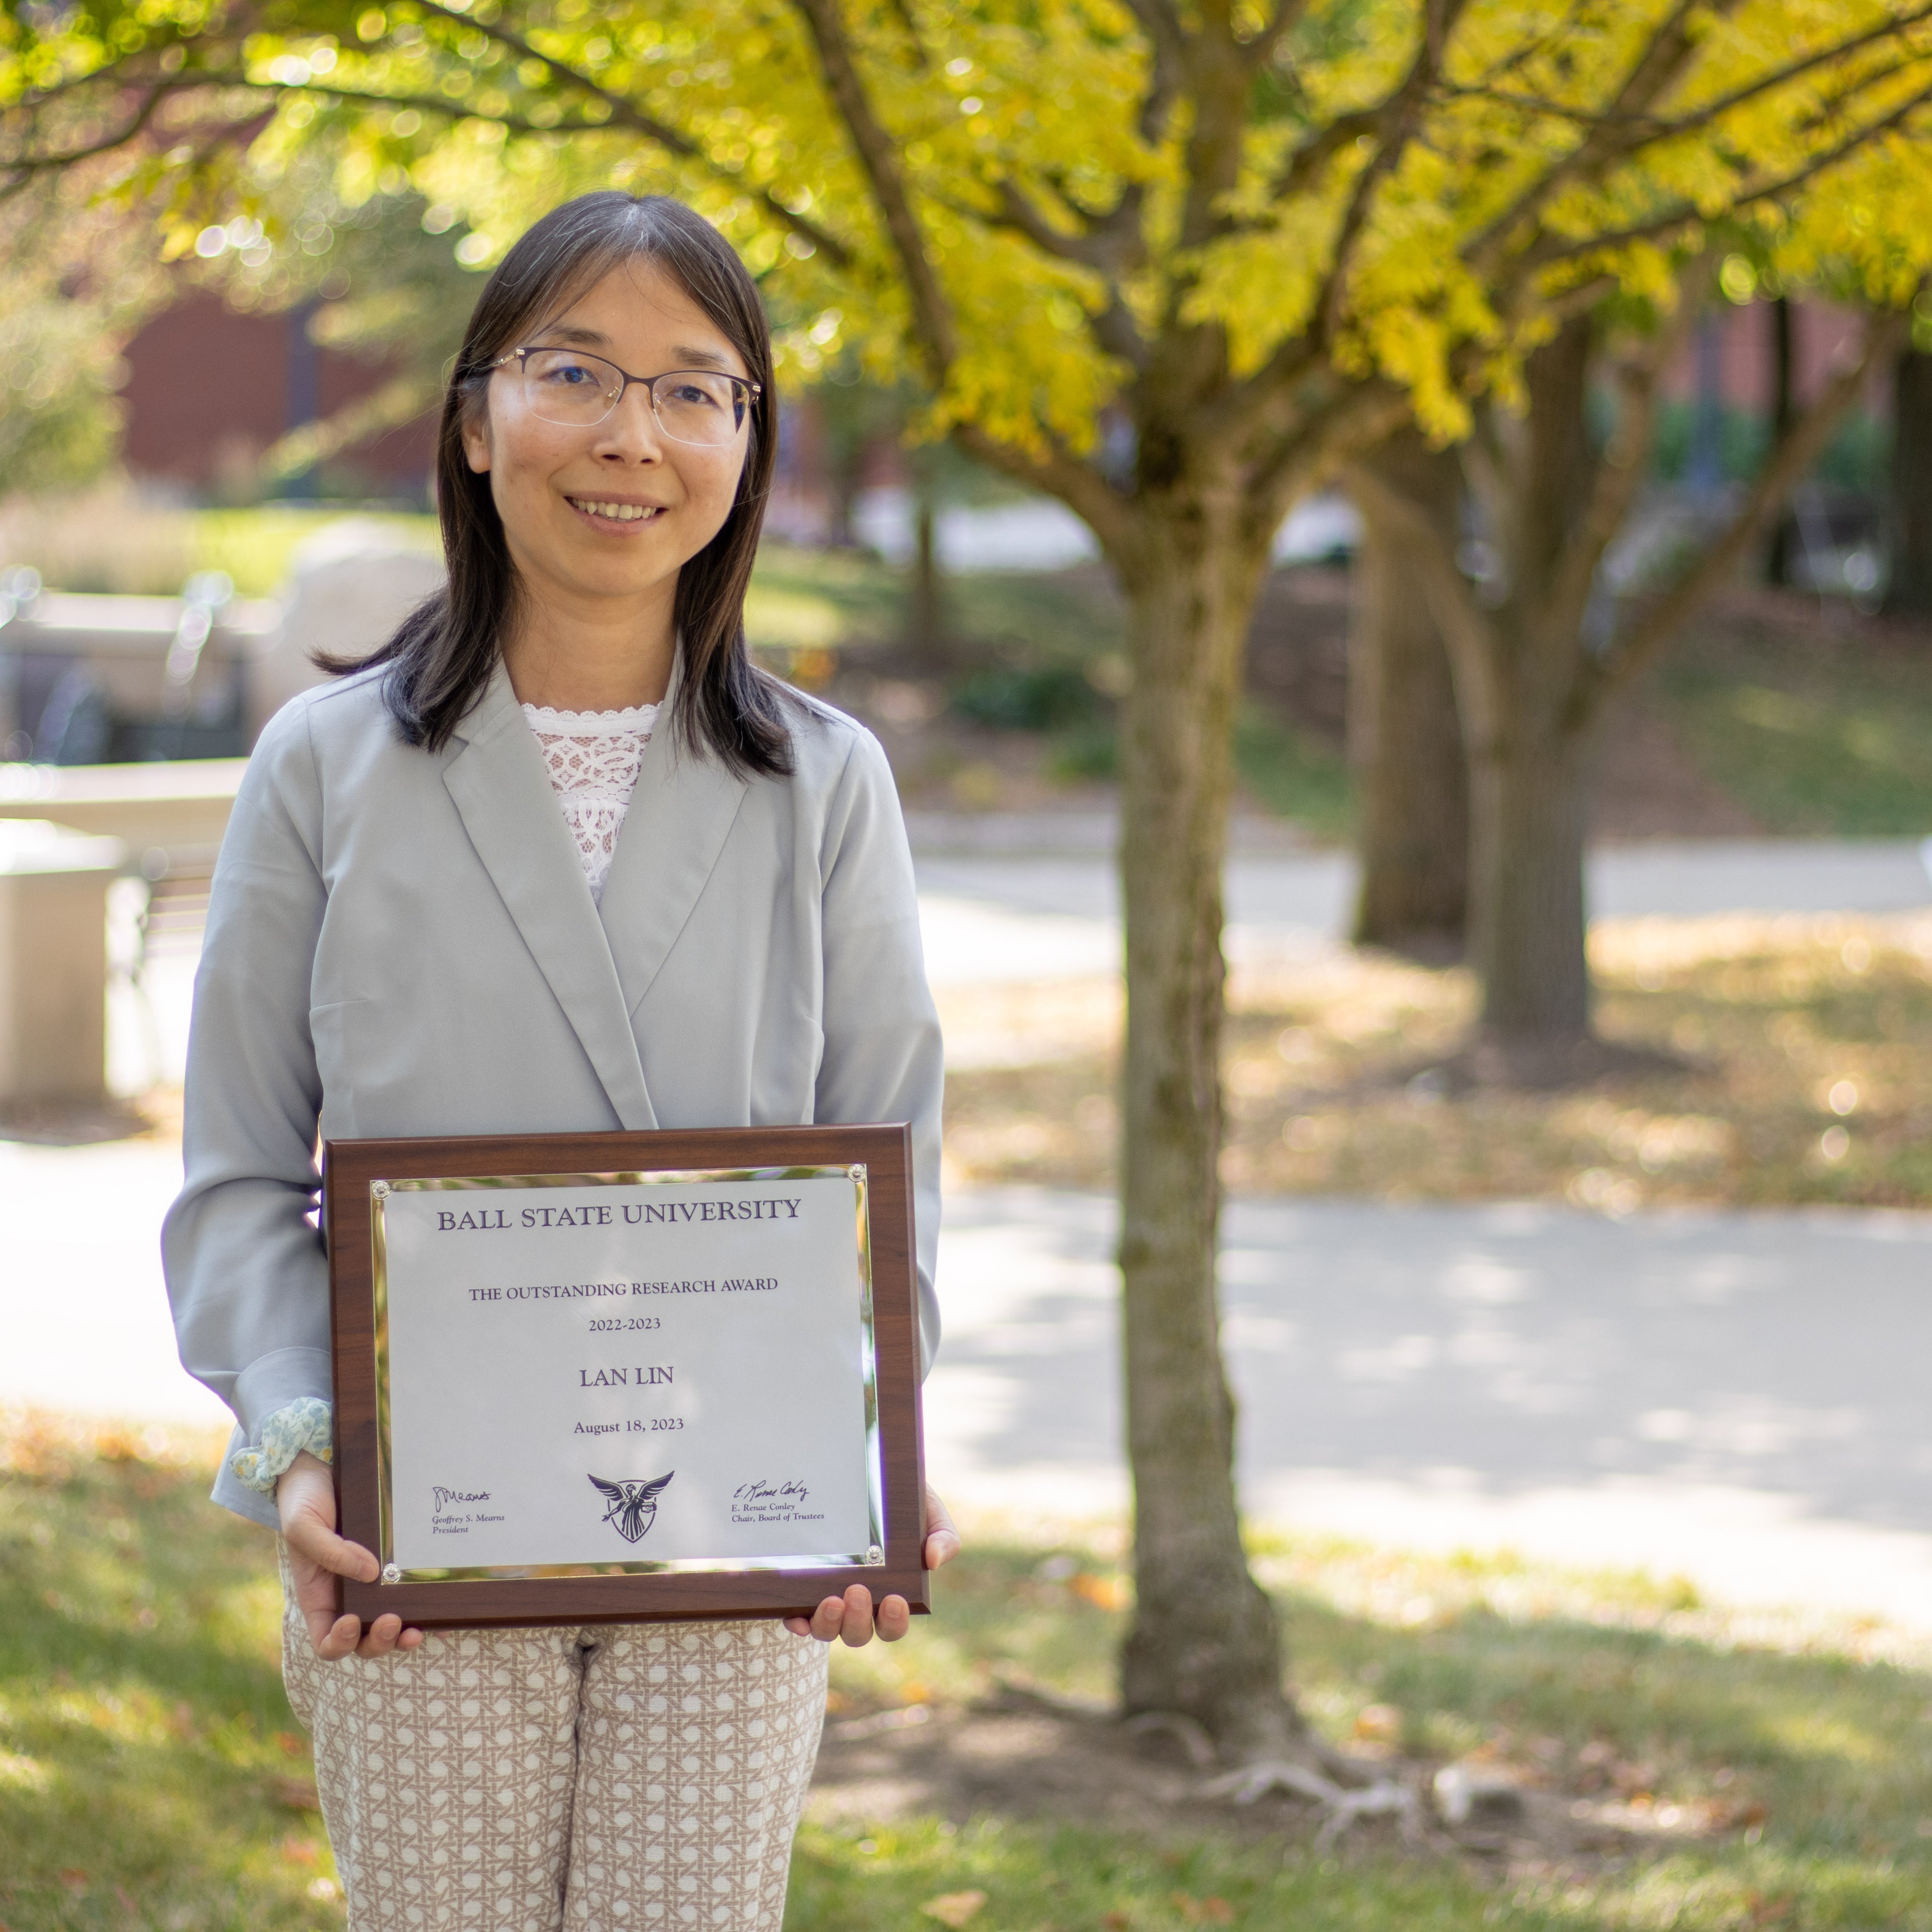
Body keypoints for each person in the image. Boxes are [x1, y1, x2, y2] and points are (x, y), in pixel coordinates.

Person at [162, 190, 956, 1930]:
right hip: (411, 1536)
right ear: (474, 415)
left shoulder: (826, 783)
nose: (631, 435)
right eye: (575, 371)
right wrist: (307, 1449)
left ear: (747, 444)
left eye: (696, 388)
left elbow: (887, 1163)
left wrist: (870, 1449)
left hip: (736, 1549)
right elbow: (234, 1176)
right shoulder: (322, 767)